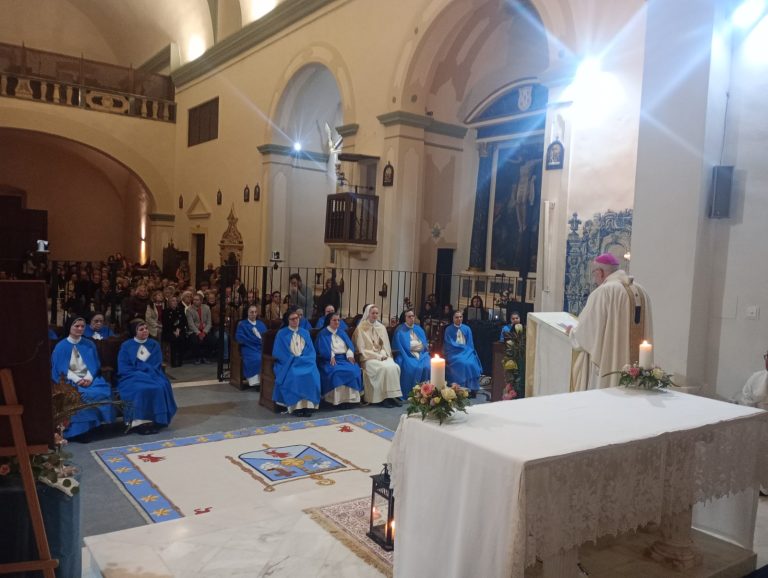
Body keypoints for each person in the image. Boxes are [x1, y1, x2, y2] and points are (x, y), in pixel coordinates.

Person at [566, 253, 653, 389]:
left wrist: (572, 332)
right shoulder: (642, 292)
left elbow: (587, 332)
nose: (595, 279)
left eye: (594, 274)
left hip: (609, 365)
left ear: (600, 273)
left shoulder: (603, 292)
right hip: (639, 367)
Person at [51, 316, 116, 440]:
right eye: (77, 326)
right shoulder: (61, 346)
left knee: (102, 391)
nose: (80, 329)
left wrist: (89, 378)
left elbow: (95, 364)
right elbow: (60, 369)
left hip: (90, 378)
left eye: (82, 326)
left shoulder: (89, 344)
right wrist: (77, 380)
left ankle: (93, 425)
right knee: (80, 395)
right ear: (69, 327)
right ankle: (80, 431)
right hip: (68, 380)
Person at [117, 319, 177, 434]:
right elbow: (123, 366)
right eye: (141, 329)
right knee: (140, 389)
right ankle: (140, 423)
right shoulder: (126, 346)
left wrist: (144, 371)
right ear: (134, 332)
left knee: (160, 387)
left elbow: (156, 363)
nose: (145, 331)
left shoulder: (154, 344)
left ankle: (155, 420)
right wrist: (139, 372)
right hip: (131, 376)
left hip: (152, 374)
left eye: (146, 328)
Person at [272, 310, 321, 416]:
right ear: (287, 320)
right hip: (289, 364)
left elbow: (311, 351)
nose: (295, 321)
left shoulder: (305, 333)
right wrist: (294, 360)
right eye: (292, 319)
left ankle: (308, 406)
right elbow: (279, 352)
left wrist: (303, 359)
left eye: (297, 318)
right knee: (294, 375)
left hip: (305, 362)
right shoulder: (281, 334)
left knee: (311, 374)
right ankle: (296, 407)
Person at [353, 304, 402, 407]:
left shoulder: (381, 327)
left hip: (382, 355)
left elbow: (385, 345)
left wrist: (383, 353)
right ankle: (382, 398)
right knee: (383, 368)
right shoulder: (360, 328)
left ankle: (391, 396)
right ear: (368, 314)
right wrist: (377, 356)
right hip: (368, 358)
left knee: (394, 366)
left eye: (376, 313)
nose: (375, 315)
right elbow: (362, 349)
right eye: (373, 313)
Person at [315, 312, 363, 405]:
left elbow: (350, 346)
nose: (337, 322)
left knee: (354, 369)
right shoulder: (323, 333)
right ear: (329, 321)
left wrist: (349, 355)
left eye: (338, 320)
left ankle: (350, 399)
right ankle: (337, 400)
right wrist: (330, 355)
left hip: (344, 359)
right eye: (334, 320)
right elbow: (321, 348)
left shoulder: (342, 332)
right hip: (329, 360)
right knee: (336, 371)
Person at [444, 310, 483, 396]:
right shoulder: (448, 329)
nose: (459, 319)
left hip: (467, 352)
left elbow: (470, 344)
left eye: (460, 317)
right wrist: (461, 348)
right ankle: (460, 388)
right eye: (456, 317)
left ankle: (472, 388)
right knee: (462, 363)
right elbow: (449, 344)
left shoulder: (467, 328)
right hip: (454, 353)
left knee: (471, 363)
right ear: (453, 318)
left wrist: (467, 351)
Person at [393, 308, 431, 395]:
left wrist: (421, 350)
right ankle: (411, 393)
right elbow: (399, 347)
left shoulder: (419, 329)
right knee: (411, 367)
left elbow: (424, 345)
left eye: (413, 316)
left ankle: (425, 393)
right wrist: (412, 352)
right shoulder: (400, 330)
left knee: (427, 366)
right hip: (406, 355)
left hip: (421, 354)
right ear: (405, 318)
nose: (411, 318)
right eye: (409, 316)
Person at [235, 305, 267, 387]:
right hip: (248, 347)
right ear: (247, 313)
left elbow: (266, 336)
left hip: (261, 348)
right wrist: (255, 340)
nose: (254, 314)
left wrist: (261, 342)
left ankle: (264, 381)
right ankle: (255, 381)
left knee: (268, 358)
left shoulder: (261, 324)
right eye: (251, 312)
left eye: (255, 312)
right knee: (257, 358)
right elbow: (239, 337)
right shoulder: (242, 324)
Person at [185, 293, 215, 364]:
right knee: (194, 341)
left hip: (205, 330)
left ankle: (205, 356)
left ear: (201, 301)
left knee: (212, 340)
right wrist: (198, 333)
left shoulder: (207, 308)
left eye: (197, 300)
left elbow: (209, 322)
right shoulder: (189, 310)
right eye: (194, 300)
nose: (195, 301)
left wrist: (204, 332)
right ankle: (197, 357)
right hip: (194, 331)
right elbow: (191, 324)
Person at [162, 295, 187, 367]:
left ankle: (180, 360)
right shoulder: (165, 311)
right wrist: (174, 331)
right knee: (174, 339)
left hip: (179, 330)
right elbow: (166, 324)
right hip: (169, 331)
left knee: (181, 338)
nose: (175, 302)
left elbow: (184, 321)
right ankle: (173, 361)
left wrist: (178, 329)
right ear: (169, 302)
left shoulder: (180, 310)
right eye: (173, 301)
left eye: (176, 301)